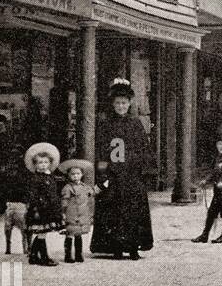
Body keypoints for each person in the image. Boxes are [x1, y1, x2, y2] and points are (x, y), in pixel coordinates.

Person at [91, 78, 154, 260]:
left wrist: (144, 171)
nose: (121, 106)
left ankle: (133, 247)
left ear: (129, 103)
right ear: (113, 104)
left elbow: (144, 150)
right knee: (113, 211)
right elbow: (101, 153)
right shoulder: (105, 125)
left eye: (124, 103)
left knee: (133, 212)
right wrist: (102, 175)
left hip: (132, 176)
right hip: (113, 175)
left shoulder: (136, 124)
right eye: (117, 103)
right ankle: (116, 248)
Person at [22, 142, 62, 267]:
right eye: (40, 163)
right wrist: (36, 206)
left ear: (50, 163)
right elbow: (32, 195)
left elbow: (53, 192)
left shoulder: (50, 177)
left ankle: (33, 256)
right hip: (39, 209)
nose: (43, 165)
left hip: (49, 209)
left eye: (45, 162)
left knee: (42, 234)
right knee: (42, 234)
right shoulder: (35, 179)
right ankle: (44, 257)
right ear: (35, 165)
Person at [58, 159, 97, 265]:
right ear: (69, 175)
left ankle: (79, 254)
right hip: (71, 213)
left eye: (78, 174)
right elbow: (64, 201)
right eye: (73, 174)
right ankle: (68, 255)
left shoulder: (85, 187)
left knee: (79, 234)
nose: (75, 176)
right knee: (70, 233)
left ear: (82, 174)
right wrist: (63, 212)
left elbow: (92, 193)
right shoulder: (68, 188)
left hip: (82, 213)